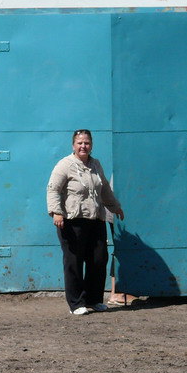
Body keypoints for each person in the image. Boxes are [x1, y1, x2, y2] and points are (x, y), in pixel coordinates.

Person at [47, 129, 124, 315]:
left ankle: (94, 300)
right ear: (73, 145)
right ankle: (76, 303)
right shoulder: (65, 164)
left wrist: (115, 207)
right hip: (72, 221)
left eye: (87, 143)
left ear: (91, 145)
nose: (83, 146)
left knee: (98, 260)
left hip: (96, 219)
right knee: (74, 262)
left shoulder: (96, 164)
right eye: (80, 143)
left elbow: (104, 188)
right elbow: (53, 189)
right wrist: (56, 212)